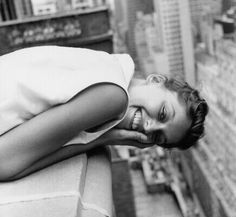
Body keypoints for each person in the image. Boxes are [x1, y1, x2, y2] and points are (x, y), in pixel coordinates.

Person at [0, 45, 208, 181]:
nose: (150, 127)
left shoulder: (111, 66)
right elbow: (4, 163)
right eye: (163, 113)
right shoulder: (114, 96)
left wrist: (102, 139)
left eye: (158, 137)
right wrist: (100, 141)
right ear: (155, 80)